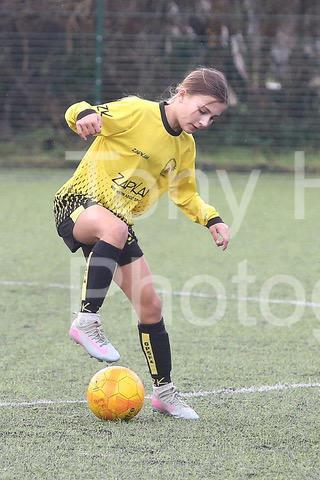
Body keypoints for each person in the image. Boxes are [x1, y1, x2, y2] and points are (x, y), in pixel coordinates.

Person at [54, 67, 231, 420]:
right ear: (182, 93)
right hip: (77, 203)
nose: (205, 121)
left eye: (213, 117)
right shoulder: (137, 111)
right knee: (116, 229)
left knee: (150, 305)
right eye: (202, 110)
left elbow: (185, 194)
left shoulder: (185, 146)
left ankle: (164, 393)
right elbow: (78, 111)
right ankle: (86, 320)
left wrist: (212, 218)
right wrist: (84, 115)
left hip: (117, 225)